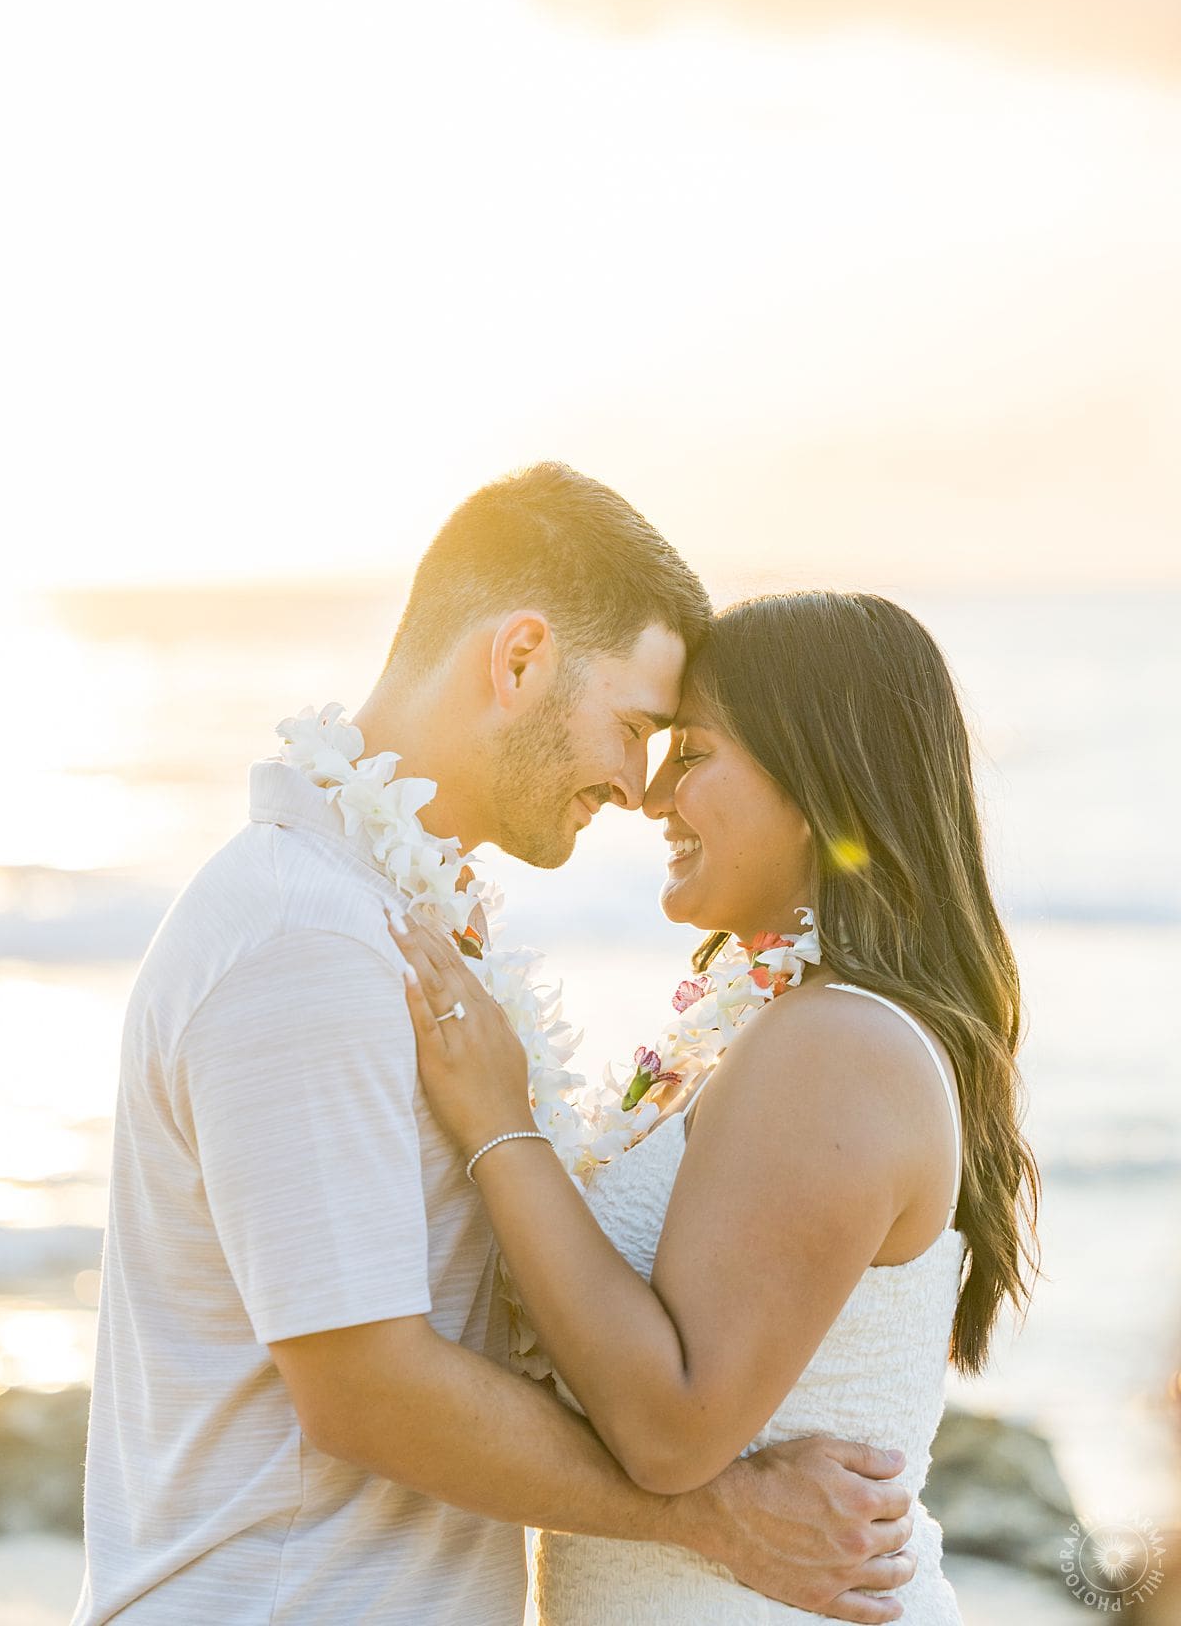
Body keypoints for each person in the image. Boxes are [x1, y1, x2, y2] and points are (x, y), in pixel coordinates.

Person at [74, 469, 916, 1625]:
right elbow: (364, 1389)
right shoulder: (302, 936)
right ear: (519, 659)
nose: (639, 787)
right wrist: (716, 1517)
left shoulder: (393, 922)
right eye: (635, 727)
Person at [390, 589, 1041, 1624]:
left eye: (691, 754)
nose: (653, 799)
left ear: (817, 786)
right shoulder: (786, 1030)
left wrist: (498, 1122)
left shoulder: (841, 1047)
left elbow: (672, 1430)